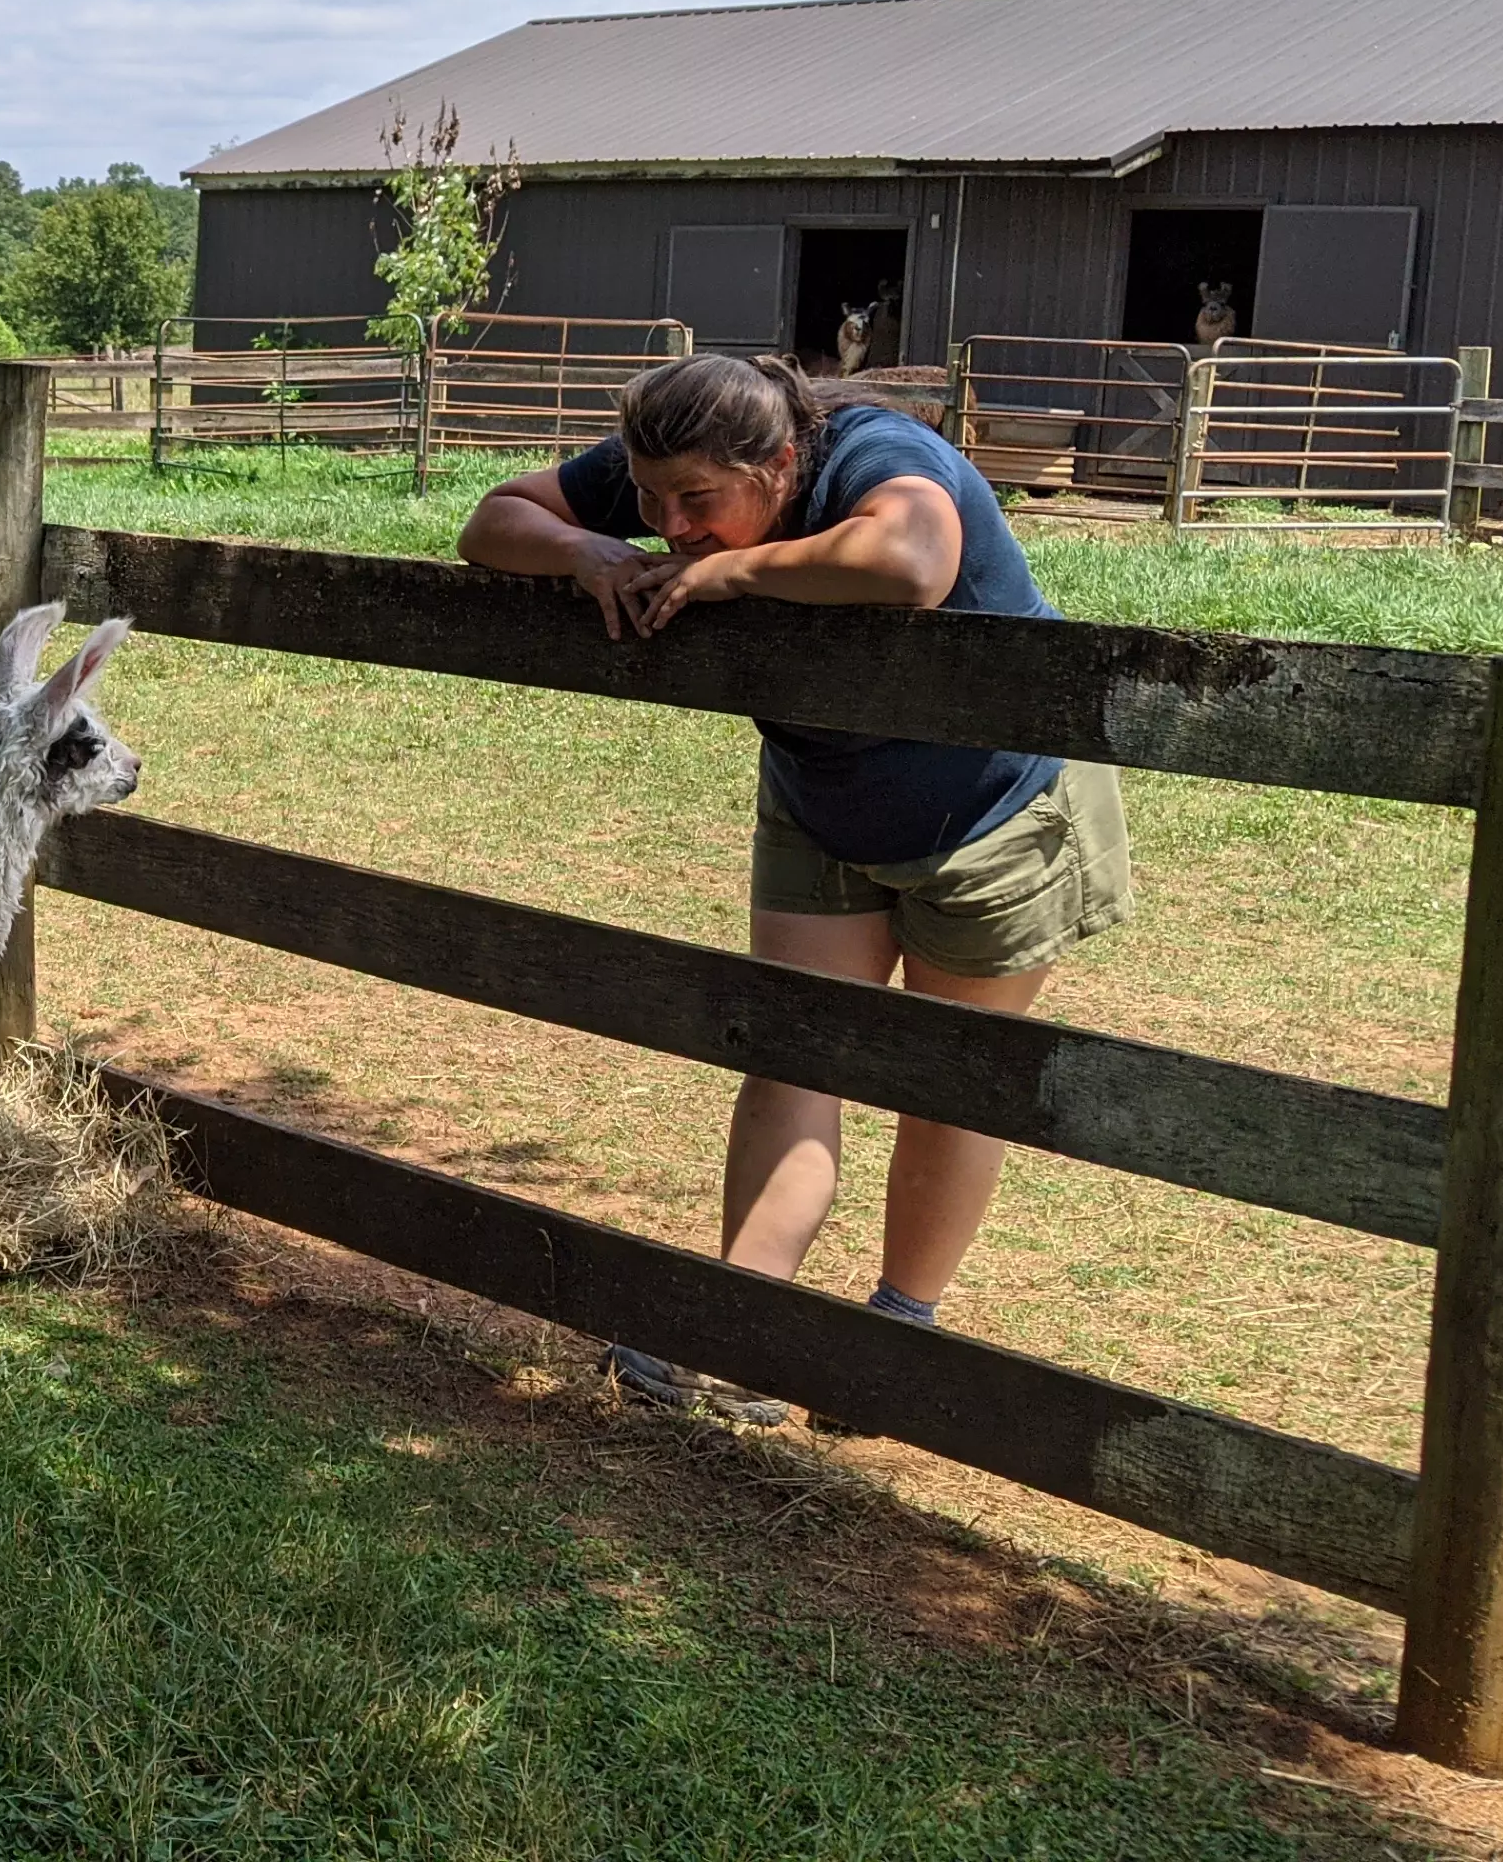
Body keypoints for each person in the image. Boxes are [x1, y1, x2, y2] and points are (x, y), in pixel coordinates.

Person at [456, 353, 1133, 1424]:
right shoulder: (678, 465)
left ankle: (891, 1338)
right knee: (789, 1055)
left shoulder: (880, 454)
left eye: (696, 502)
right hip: (821, 798)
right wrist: (587, 546)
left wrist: (732, 576)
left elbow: (911, 558)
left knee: (946, 1083)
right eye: (648, 497)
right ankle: (733, 1333)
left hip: (998, 811)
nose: (670, 525)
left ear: (777, 461)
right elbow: (492, 522)